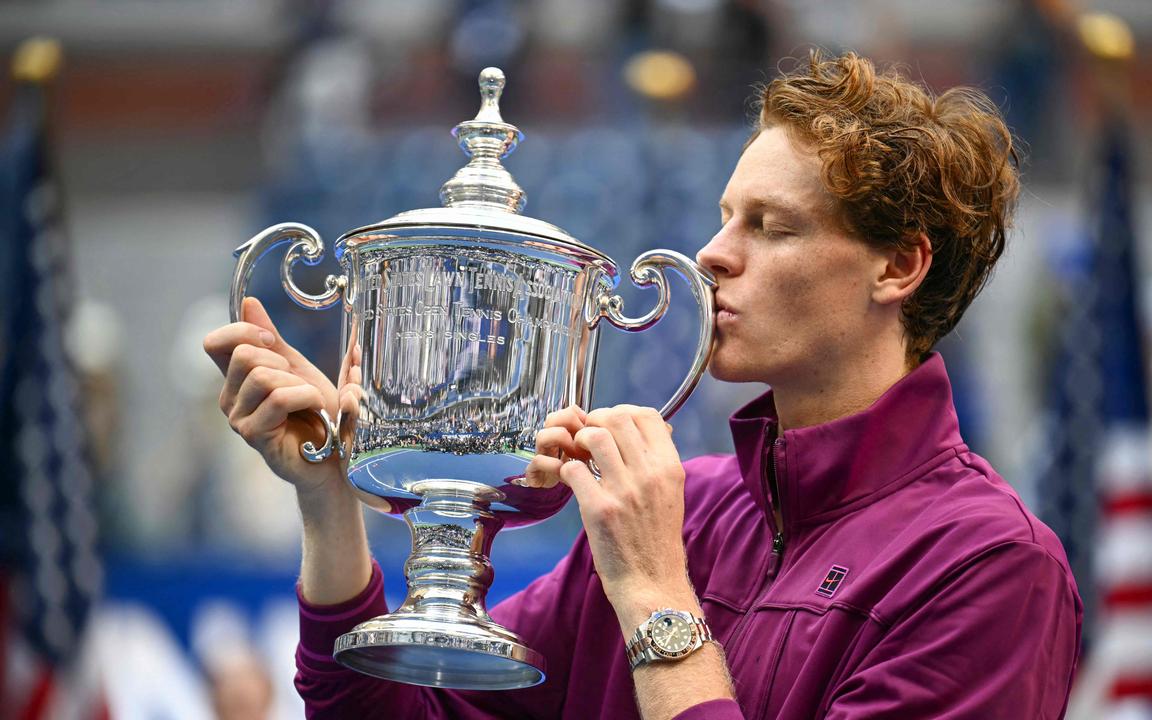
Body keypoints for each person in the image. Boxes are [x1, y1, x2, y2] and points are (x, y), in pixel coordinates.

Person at [204, 50, 1082, 719]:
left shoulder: (992, 567)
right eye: (724, 216)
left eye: (771, 227)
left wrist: (659, 593)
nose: (713, 254)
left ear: (898, 265)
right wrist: (327, 500)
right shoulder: (685, 507)